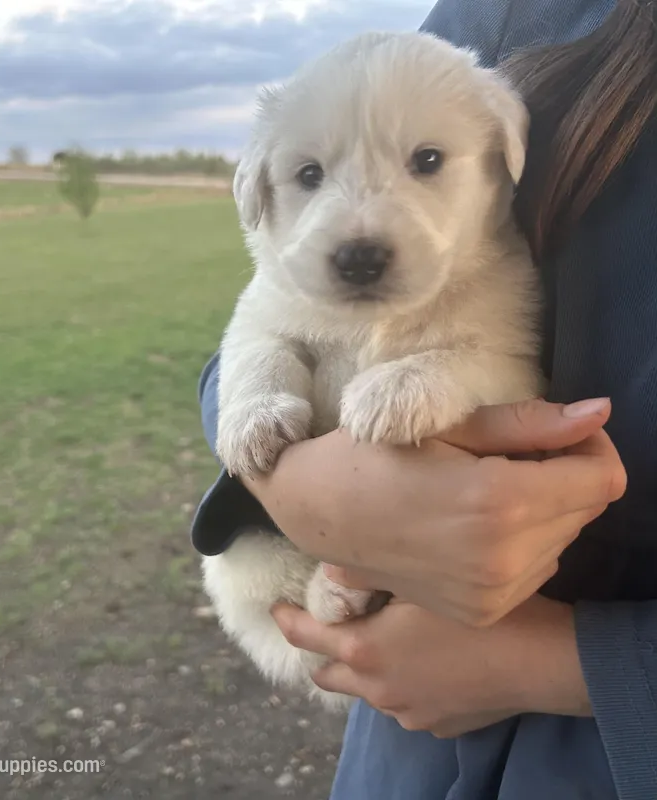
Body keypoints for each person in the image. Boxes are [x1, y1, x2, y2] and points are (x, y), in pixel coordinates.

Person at [190, 0, 657, 797]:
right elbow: (249, 343)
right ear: (259, 190)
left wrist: (574, 665)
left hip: (601, 755)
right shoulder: (514, 17)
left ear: (500, 155)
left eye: (426, 162)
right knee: (251, 576)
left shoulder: (486, 268)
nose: (361, 229)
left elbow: (498, 362)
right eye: (308, 175)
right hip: (399, 740)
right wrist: (271, 450)